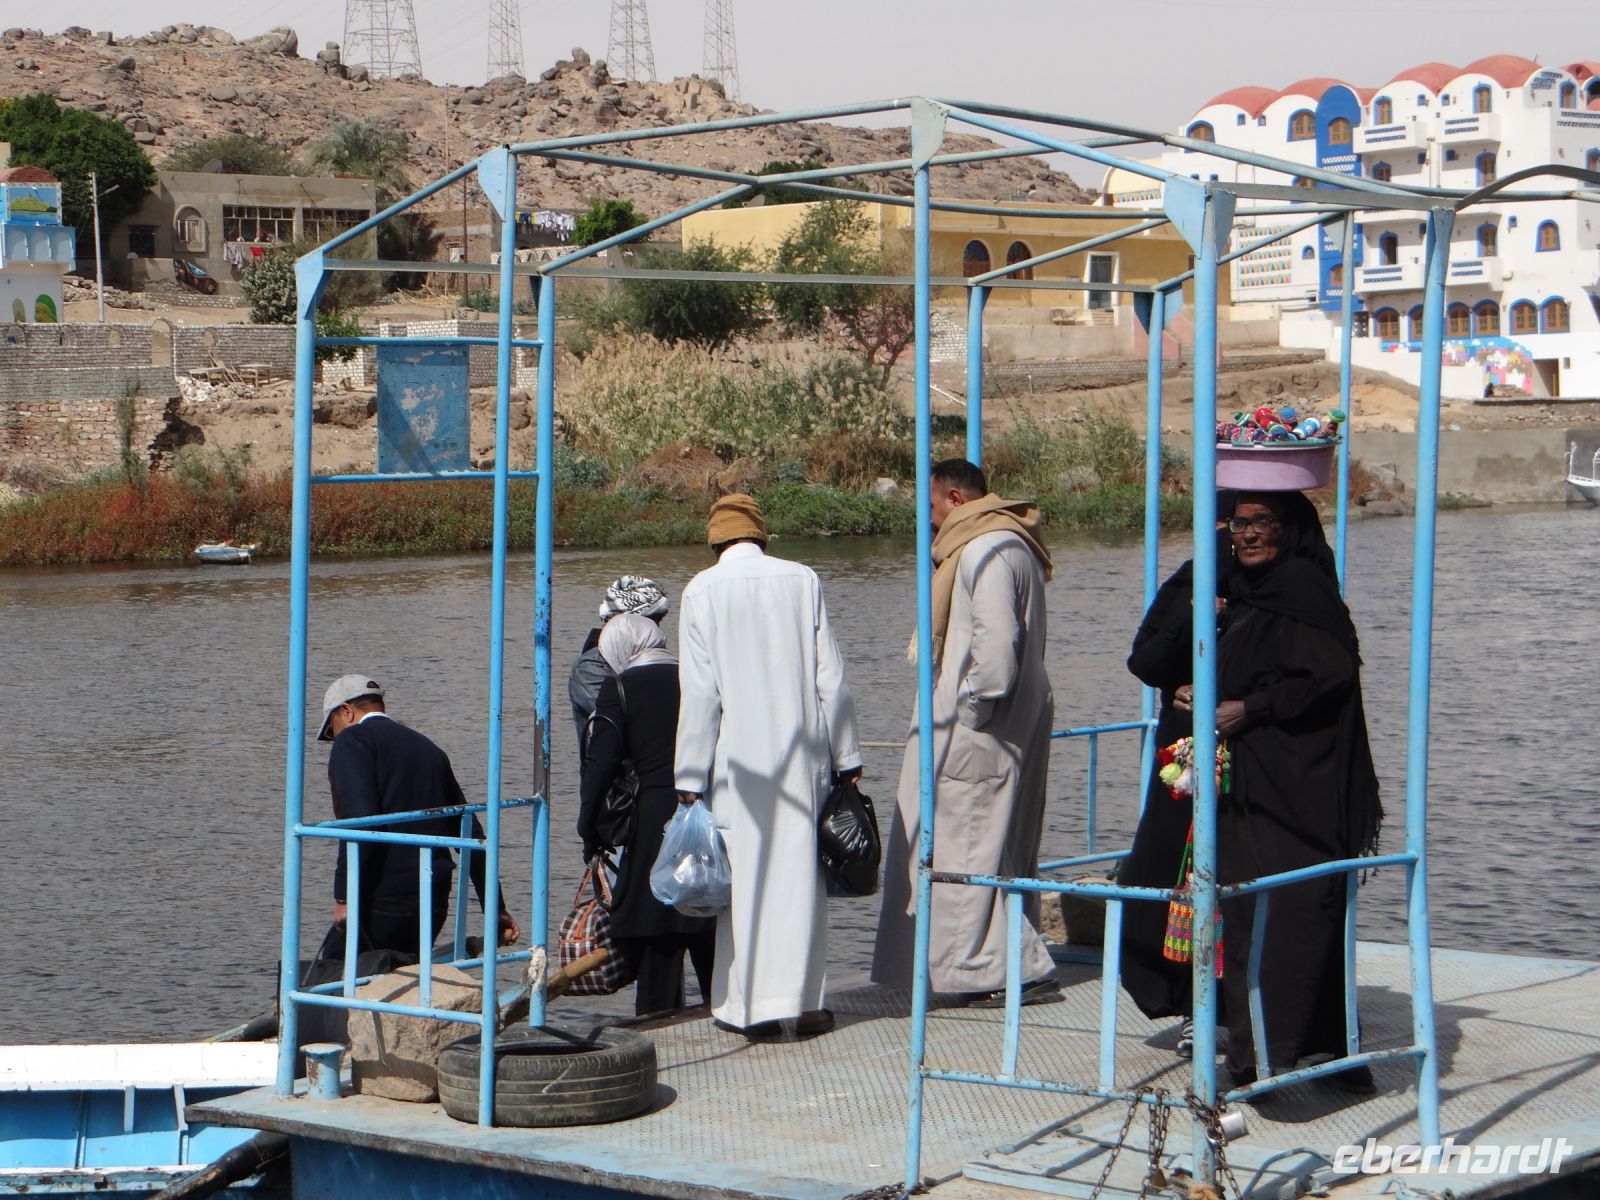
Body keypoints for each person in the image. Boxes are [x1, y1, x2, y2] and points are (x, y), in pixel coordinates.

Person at [1174, 491, 1382, 1091]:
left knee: (1289, 913)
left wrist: (1252, 706)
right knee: (1247, 914)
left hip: (1300, 785)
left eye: (1264, 522)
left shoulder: (1301, 589)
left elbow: (1326, 675)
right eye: (1240, 523)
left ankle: (1275, 1055)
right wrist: (1201, 691)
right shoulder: (1245, 590)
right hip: (1256, 782)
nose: (1249, 534)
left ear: (1289, 530)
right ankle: (1270, 1053)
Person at [871, 459, 1059, 1006]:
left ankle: (990, 970)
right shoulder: (1004, 544)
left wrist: (969, 711)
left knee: (965, 850)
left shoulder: (986, 551)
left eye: (930, 507)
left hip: (978, 731)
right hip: (996, 727)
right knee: (988, 847)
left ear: (954, 499)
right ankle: (989, 968)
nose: (928, 520)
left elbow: (995, 653)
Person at [674, 494, 862, 1038]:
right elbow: (832, 679)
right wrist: (847, 757)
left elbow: (701, 695)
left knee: (748, 887)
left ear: (715, 541)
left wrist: (689, 775)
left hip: (740, 767)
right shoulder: (801, 580)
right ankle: (806, 1006)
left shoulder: (701, 591)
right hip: (805, 760)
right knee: (801, 883)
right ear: (762, 535)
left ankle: (750, 1009)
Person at [1118, 494, 1236, 1057]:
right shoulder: (1189, 582)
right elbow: (1144, 659)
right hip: (1185, 758)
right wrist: (1196, 614)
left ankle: (1223, 1008)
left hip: (1251, 756)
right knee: (1171, 873)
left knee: (1233, 879)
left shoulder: (1277, 585)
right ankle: (1189, 1004)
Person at [319, 673, 518, 960]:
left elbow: (358, 820)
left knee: (329, 975)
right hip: (433, 897)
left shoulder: (353, 741)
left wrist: (343, 897)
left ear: (346, 711)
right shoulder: (428, 748)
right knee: (403, 970)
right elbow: (470, 831)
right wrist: (495, 907)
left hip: (382, 898)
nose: (334, 737)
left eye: (332, 729)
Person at [579, 614, 716, 1015]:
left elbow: (600, 765)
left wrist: (590, 829)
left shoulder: (619, 688)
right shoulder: (697, 677)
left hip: (654, 818)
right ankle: (722, 1012)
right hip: (709, 813)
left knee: (659, 933)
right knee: (710, 921)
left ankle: (659, 1025)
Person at [569, 576, 670, 752]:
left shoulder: (659, 659)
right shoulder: (591, 667)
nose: (654, 631)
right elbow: (638, 721)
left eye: (657, 622)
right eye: (648, 624)